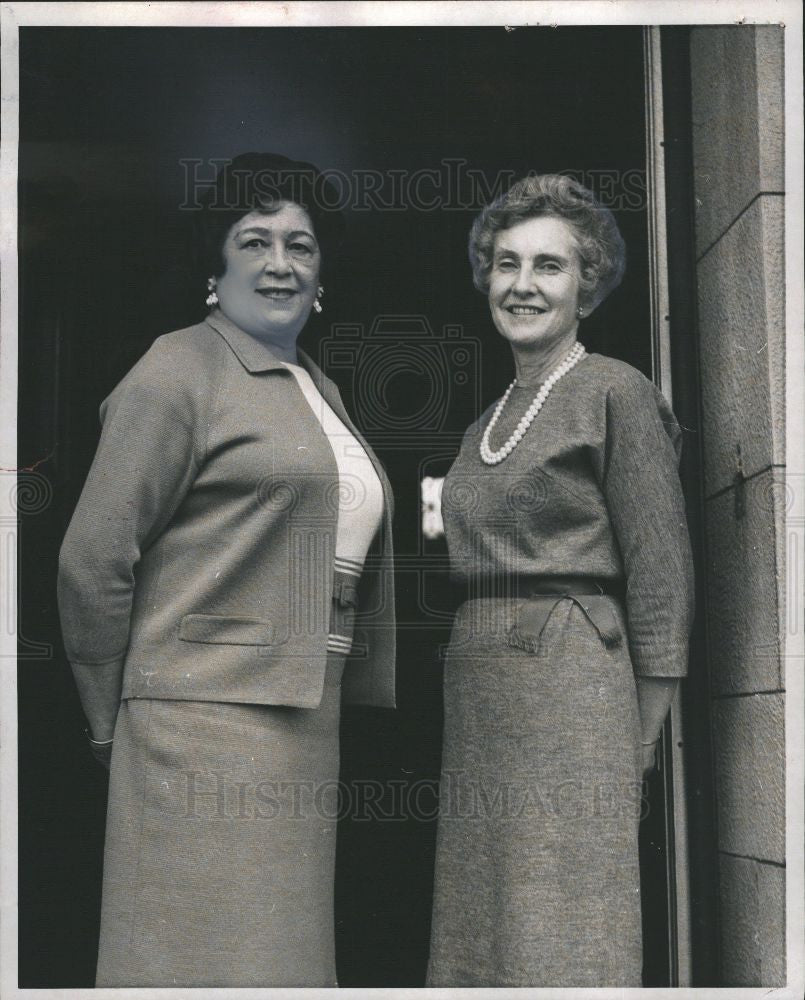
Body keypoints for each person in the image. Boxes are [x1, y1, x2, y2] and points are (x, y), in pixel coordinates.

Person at [57, 152, 396, 987]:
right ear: (217, 266)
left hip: (300, 725)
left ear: (322, 276)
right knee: (195, 962)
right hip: (199, 728)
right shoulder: (177, 368)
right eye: (255, 241)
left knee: (277, 963)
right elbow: (91, 560)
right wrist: (112, 722)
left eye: (301, 246)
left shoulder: (314, 386)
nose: (280, 263)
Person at [426, 174, 694, 987]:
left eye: (548, 266)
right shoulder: (485, 422)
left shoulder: (614, 390)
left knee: (569, 915)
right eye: (506, 264)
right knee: (484, 915)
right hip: (483, 696)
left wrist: (636, 738)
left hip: (574, 694)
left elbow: (661, 570)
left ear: (587, 283)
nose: (522, 285)